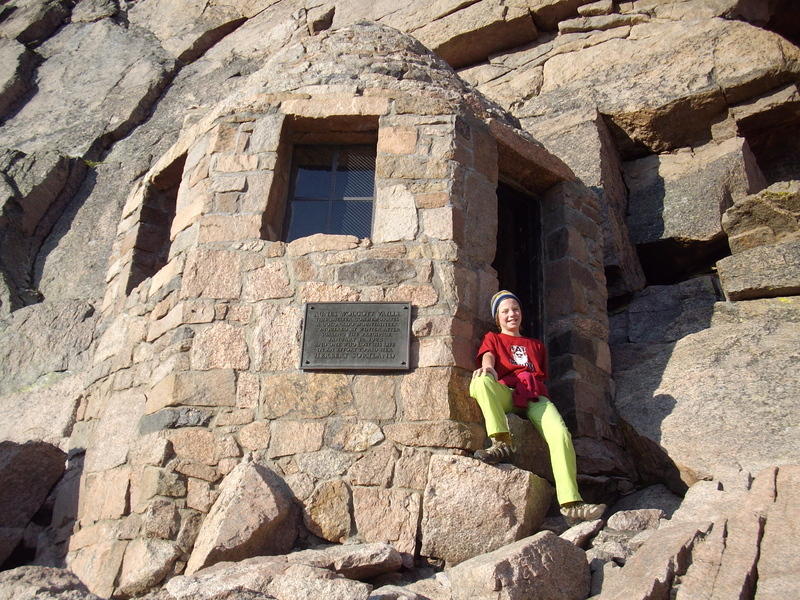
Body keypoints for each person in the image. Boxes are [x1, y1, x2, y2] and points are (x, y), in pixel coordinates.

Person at [470, 290, 606, 523]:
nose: (511, 314)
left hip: (534, 396)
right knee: (480, 381)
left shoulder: (536, 345)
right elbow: (488, 357)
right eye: (505, 311)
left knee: (561, 434)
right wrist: (488, 367)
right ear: (497, 317)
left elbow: (540, 376)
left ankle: (571, 503)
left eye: (515, 309)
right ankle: (502, 441)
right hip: (507, 393)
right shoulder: (493, 337)